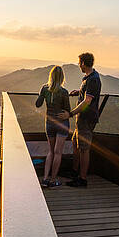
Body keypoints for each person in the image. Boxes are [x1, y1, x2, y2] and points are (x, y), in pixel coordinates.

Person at [58, 52, 101, 187]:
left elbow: (87, 101)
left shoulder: (93, 79)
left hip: (86, 119)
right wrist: (79, 92)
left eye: (79, 63)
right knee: (76, 144)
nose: (78, 65)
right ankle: (75, 172)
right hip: (82, 118)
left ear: (83, 63)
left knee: (84, 148)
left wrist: (70, 114)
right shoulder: (88, 78)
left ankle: (82, 179)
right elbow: (88, 95)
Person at [35, 65, 71, 188]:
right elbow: (67, 111)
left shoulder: (44, 89)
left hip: (49, 123)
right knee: (58, 152)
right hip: (61, 123)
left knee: (51, 151)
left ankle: (45, 178)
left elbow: (38, 104)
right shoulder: (64, 92)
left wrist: (41, 93)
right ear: (62, 78)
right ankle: (53, 180)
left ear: (51, 76)